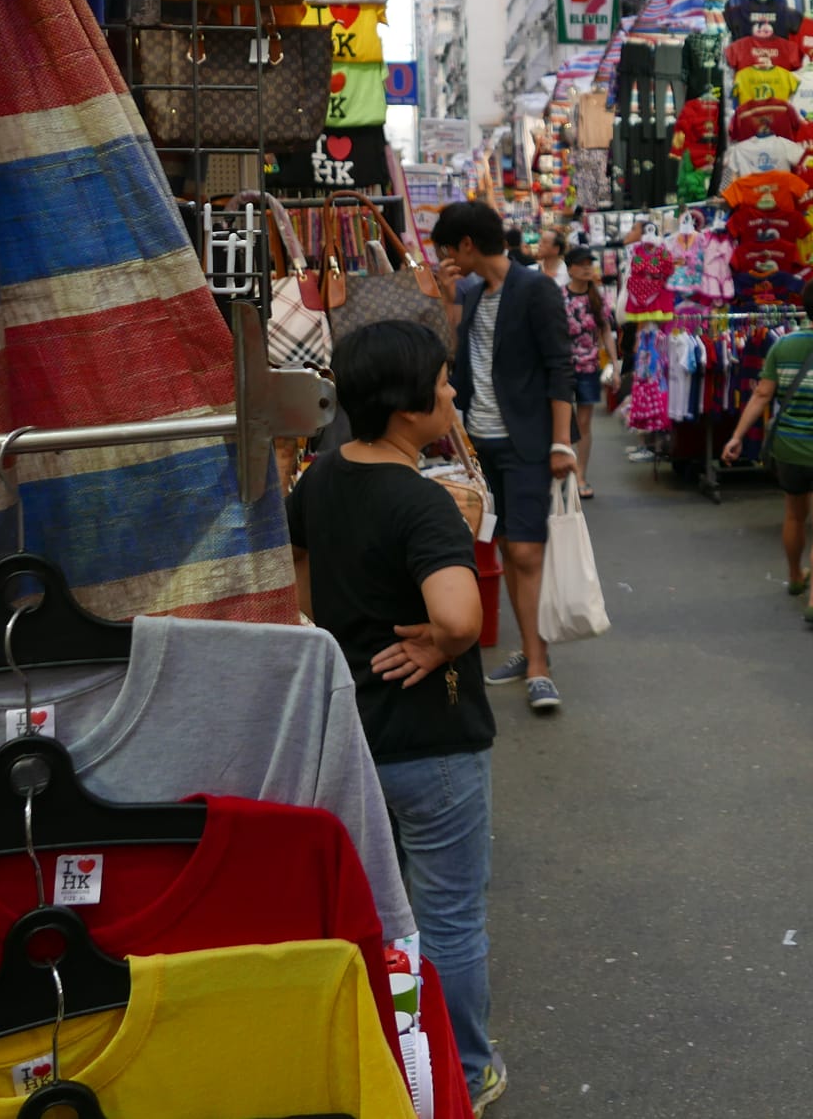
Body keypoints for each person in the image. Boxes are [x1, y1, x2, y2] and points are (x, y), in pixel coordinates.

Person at [284, 321, 506, 1112]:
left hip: (351, 736)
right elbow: (461, 615)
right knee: (449, 918)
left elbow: (300, 580)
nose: (451, 392)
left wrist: (354, 630)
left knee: (380, 915)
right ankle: (464, 1072)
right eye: (443, 382)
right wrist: (441, 646)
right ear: (410, 406)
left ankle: (390, 1060)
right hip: (435, 742)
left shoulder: (321, 480)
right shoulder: (423, 501)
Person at [432, 200, 579, 713]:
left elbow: (561, 367)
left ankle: (538, 665)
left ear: (467, 245)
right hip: (480, 445)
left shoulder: (535, 288)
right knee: (506, 550)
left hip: (527, 442)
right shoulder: (472, 295)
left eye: (450, 249)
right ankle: (531, 647)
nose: (448, 258)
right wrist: (450, 302)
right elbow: (456, 362)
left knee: (525, 551)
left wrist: (562, 443)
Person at [721, 272, 813, 627]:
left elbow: (762, 395)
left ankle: (794, 576)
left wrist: (737, 437)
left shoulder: (782, 346)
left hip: (788, 447)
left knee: (793, 516)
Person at [562, 245, 613, 499]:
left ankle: (580, 474)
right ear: (569, 268)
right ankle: (562, 471)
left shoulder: (597, 297)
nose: (586, 268)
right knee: (560, 422)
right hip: (562, 367)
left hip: (589, 367)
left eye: (589, 264)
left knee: (583, 423)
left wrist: (614, 364)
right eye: (581, 264)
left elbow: (605, 331)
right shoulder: (559, 296)